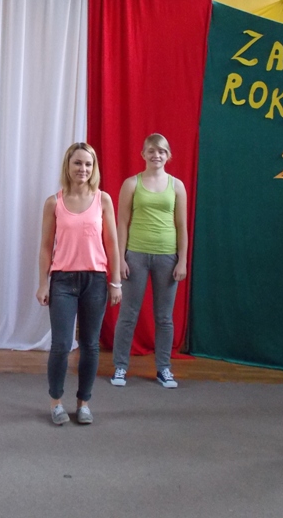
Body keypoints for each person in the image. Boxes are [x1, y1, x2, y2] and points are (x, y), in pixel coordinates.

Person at [36, 142, 122, 425]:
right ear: (68, 166)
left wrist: (116, 282)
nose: (82, 169)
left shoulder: (103, 200)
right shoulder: (54, 202)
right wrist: (43, 283)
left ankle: (83, 403)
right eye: (77, 163)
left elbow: (112, 243)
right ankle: (56, 402)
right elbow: (46, 247)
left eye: (88, 164)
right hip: (62, 281)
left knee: (90, 345)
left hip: (95, 281)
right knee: (61, 344)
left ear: (93, 168)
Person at [110, 134, 188, 389]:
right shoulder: (131, 184)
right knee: (128, 314)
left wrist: (182, 261)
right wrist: (120, 259)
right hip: (136, 255)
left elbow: (182, 226)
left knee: (164, 317)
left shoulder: (177, 186)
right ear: (143, 154)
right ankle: (120, 366)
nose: (157, 155)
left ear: (168, 156)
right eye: (152, 151)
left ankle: (164, 368)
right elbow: (122, 223)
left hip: (167, 257)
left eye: (162, 151)